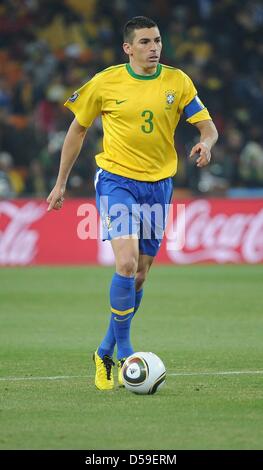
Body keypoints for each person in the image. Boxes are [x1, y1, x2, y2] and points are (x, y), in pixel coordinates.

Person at [47, 16, 218, 390]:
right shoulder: (105, 82)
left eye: (157, 40)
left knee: (139, 274)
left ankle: (104, 350)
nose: (154, 47)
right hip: (117, 181)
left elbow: (208, 125)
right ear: (128, 48)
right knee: (124, 263)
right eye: (144, 42)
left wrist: (207, 142)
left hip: (159, 186)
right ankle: (125, 351)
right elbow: (77, 129)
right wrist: (60, 183)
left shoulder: (178, 81)